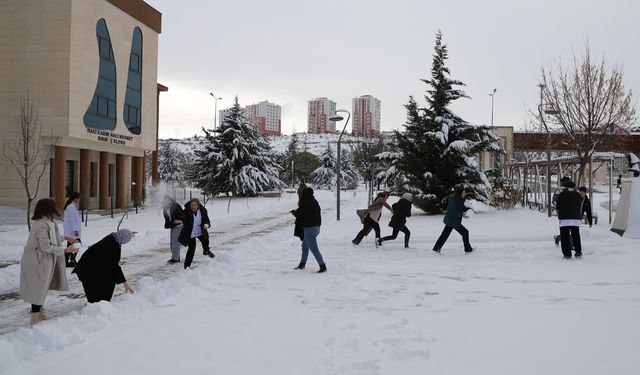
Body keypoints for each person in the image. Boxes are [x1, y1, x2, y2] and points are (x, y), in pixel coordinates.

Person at [20, 198, 79, 325]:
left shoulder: (48, 222)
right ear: (47, 209)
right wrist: (65, 250)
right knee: (38, 288)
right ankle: (35, 318)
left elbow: (52, 238)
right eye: (53, 208)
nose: (55, 210)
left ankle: (39, 313)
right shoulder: (41, 225)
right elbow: (45, 246)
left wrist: (66, 238)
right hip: (36, 261)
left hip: (42, 259)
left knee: (41, 287)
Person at [72, 229, 135, 303]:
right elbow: (114, 266)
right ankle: (97, 307)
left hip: (93, 267)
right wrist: (125, 283)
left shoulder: (114, 239)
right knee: (99, 291)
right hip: (87, 270)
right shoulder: (110, 246)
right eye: (126, 240)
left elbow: (112, 265)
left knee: (107, 281)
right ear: (123, 239)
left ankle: (101, 305)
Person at [291, 187, 326, 273]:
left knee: (313, 248)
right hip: (316, 227)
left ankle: (322, 266)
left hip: (309, 228)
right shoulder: (314, 201)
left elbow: (300, 214)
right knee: (305, 246)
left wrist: (294, 212)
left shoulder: (305, 202)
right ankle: (302, 264)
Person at [432, 186, 474, 253]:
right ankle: (468, 249)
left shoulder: (460, 198)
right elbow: (452, 210)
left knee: (445, 235)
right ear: (460, 192)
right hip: (451, 220)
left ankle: (436, 248)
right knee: (465, 232)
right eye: (464, 192)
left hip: (453, 220)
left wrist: (468, 208)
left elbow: (461, 207)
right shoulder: (453, 198)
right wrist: (462, 215)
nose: (465, 193)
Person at [178, 198, 214, 270]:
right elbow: (182, 217)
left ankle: (206, 250)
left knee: (205, 240)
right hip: (190, 232)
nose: (193, 206)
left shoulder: (203, 211)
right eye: (192, 205)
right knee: (191, 248)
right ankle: (187, 266)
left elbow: (207, 220)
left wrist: (207, 224)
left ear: (198, 205)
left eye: (195, 205)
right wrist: (181, 220)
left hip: (200, 230)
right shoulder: (186, 211)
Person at [555, 178, 584, 259]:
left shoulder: (562, 193)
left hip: (564, 219)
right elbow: (580, 203)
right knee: (576, 235)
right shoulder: (577, 194)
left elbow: (558, 205)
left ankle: (567, 254)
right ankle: (578, 252)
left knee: (565, 236)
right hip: (575, 219)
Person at [162, 196, 184, 264]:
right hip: (173, 226)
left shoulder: (176, 206)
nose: (167, 202)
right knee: (172, 243)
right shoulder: (165, 209)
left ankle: (175, 259)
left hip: (179, 226)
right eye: (165, 201)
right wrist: (170, 224)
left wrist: (180, 220)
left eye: (168, 201)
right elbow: (167, 219)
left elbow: (183, 215)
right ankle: (176, 257)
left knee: (175, 242)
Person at [63, 192, 82, 268]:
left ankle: (69, 261)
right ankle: (70, 260)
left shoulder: (72, 206)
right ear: (75, 198)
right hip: (72, 232)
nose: (79, 200)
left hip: (72, 231)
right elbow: (72, 220)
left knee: (72, 245)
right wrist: (75, 230)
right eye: (78, 198)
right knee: (76, 244)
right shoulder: (71, 207)